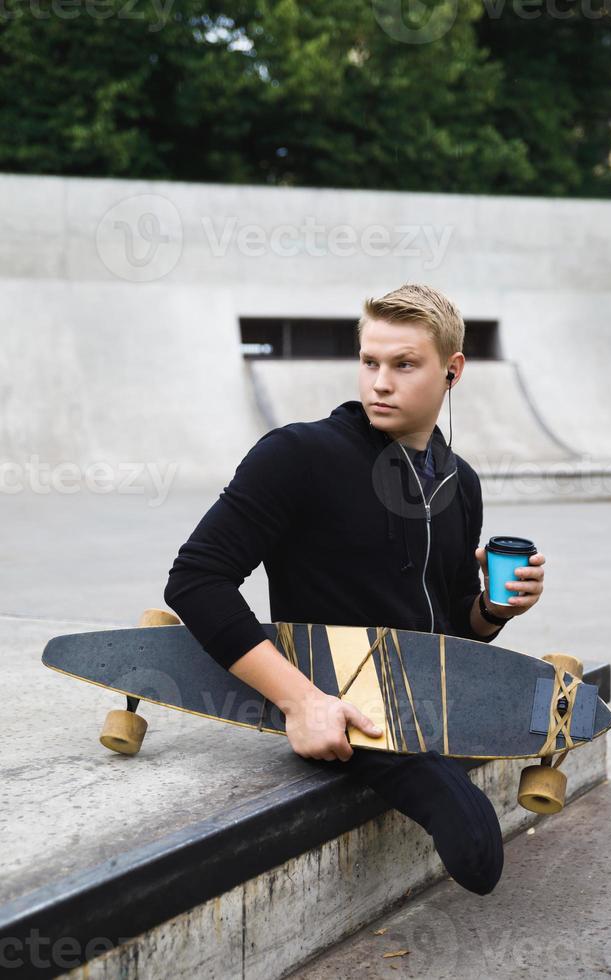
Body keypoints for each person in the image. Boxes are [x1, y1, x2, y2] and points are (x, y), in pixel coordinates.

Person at [164, 282, 546, 896]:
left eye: (404, 365)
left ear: (453, 371)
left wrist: (492, 609)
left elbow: (451, 618)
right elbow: (196, 580)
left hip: (430, 699)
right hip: (345, 700)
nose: (380, 383)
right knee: (476, 845)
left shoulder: (459, 482)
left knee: (479, 847)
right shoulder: (298, 454)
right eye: (370, 362)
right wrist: (300, 701)